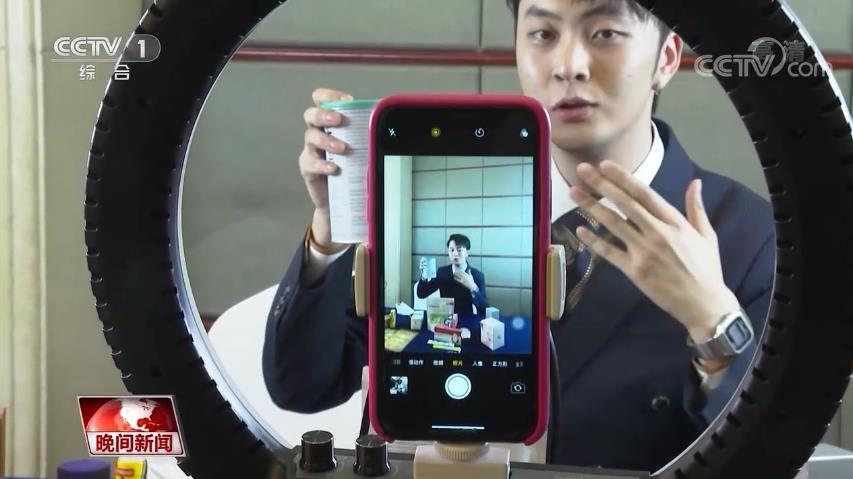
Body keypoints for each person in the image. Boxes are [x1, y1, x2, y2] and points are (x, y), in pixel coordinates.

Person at [262, 0, 774, 472]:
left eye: (605, 33)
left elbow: (762, 457)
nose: (568, 65)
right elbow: (301, 386)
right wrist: (329, 233)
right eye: (543, 34)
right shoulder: (434, 198)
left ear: (666, 59)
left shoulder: (745, 236)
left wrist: (714, 327)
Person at [416, 233, 488, 316]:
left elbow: (484, 309)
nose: (455, 253)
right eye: (452, 250)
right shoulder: (442, 272)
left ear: (467, 253)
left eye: (459, 250)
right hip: (445, 318)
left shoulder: (477, 275)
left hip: (466, 320)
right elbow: (421, 294)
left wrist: (473, 287)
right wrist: (424, 275)